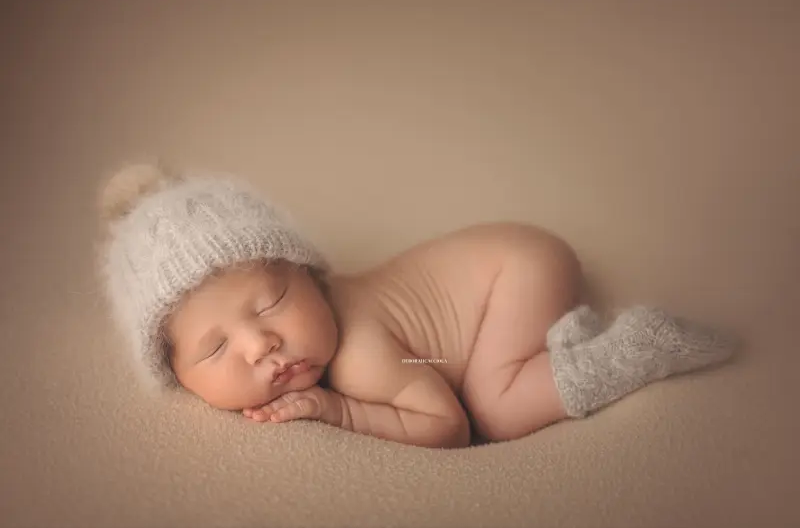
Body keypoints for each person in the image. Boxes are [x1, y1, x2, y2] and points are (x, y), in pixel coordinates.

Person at [97, 162, 737, 448]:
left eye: (272, 304)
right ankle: (566, 338)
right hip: (511, 257)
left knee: (496, 407)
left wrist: (339, 410)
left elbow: (447, 426)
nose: (260, 343)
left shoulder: (358, 355)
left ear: (312, 276)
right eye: (214, 349)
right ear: (174, 373)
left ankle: (636, 346)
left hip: (515, 271)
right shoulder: (310, 326)